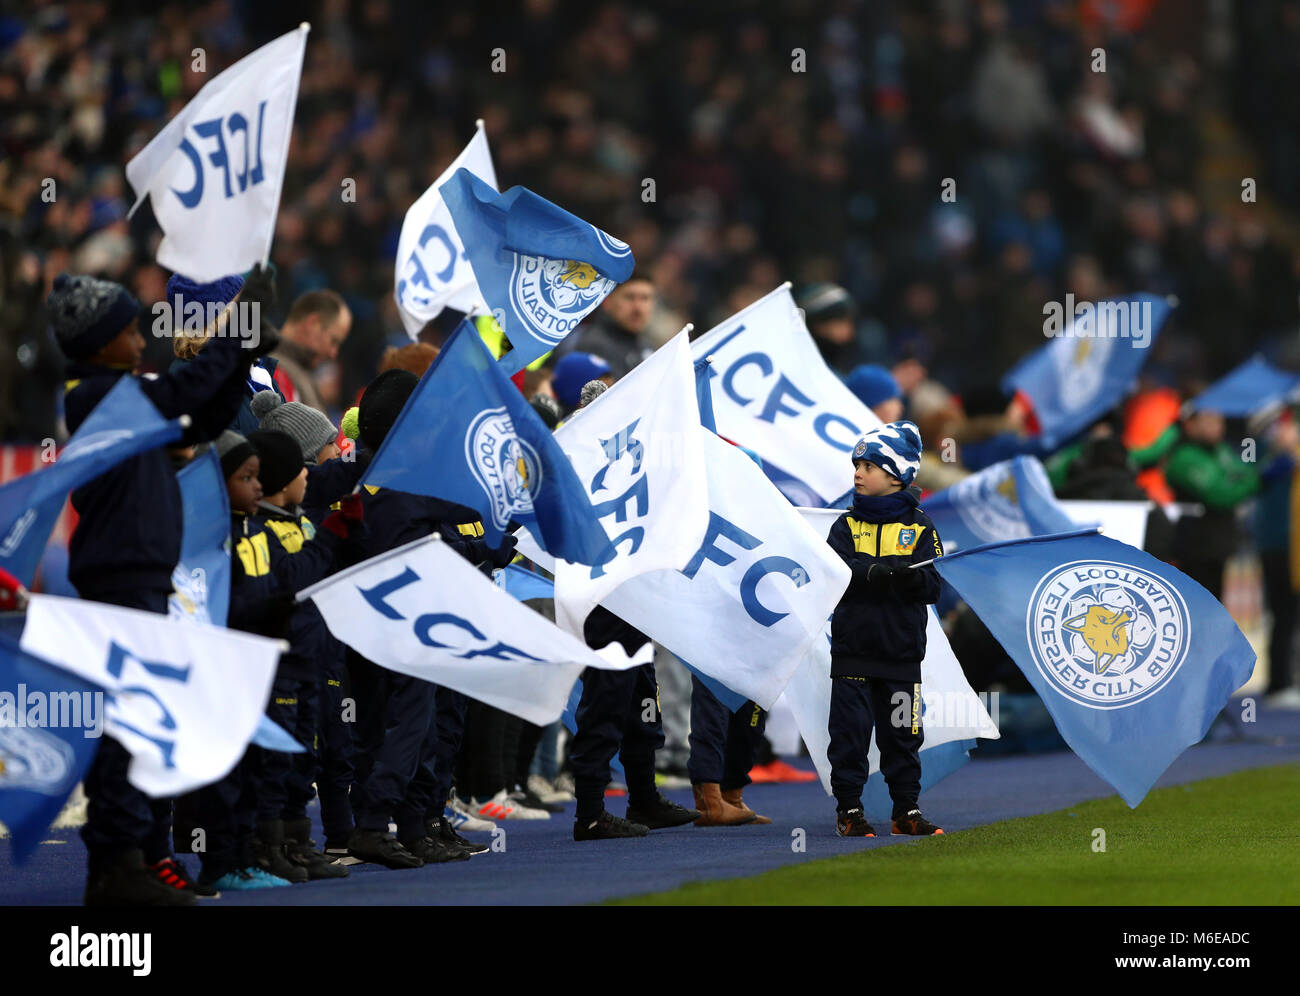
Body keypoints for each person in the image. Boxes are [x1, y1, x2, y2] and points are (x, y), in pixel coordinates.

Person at [49, 268, 272, 906]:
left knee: (139, 721)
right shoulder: (98, 397)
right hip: (121, 577)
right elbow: (186, 391)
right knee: (125, 725)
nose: (140, 337)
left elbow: (199, 413)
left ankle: (132, 860)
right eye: (125, 330)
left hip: (137, 573)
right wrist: (235, 330)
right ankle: (118, 864)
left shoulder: (115, 393)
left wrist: (243, 348)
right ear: (95, 343)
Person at [825, 421, 946, 838]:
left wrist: (900, 578)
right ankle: (849, 810)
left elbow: (933, 585)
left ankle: (906, 811)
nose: (857, 472)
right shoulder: (845, 525)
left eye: (868, 465)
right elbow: (833, 572)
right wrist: (882, 574)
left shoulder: (922, 526)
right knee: (849, 737)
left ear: (895, 475)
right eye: (856, 464)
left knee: (903, 739)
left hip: (900, 656)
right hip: (852, 653)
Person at [1164, 407, 1260, 601]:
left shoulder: (1221, 450)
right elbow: (1219, 495)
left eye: (1219, 422)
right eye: (1209, 421)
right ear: (1191, 424)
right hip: (1194, 547)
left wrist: (1246, 480)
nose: (1217, 427)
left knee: (1216, 606)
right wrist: (1249, 481)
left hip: (1219, 545)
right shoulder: (1184, 456)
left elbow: (1245, 472)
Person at [270, 289, 352, 413]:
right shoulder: (274, 369)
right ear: (313, 323)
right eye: (333, 341)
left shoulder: (295, 370)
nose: (333, 353)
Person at [562, 272, 655, 378]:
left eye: (645, 298)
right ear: (607, 301)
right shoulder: (590, 345)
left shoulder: (648, 349)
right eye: (630, 297)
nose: (638, 308)